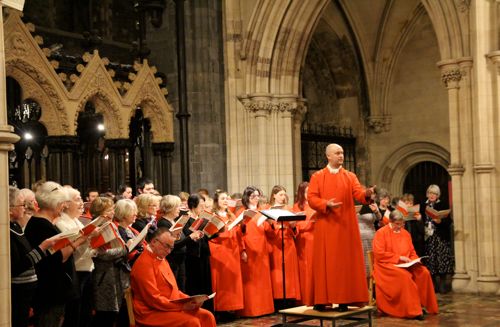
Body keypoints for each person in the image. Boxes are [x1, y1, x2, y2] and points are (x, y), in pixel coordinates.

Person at [307, 143, 373, 311]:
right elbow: (312, 198)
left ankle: (344, 299)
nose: (341, 156)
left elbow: (358, 193)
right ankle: (322, 300)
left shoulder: (350, 176)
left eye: (342, 153)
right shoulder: (318, 176)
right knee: (325, 263)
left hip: (345, 225)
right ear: (328, 156)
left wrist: (367, 194)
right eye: (337, 153)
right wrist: (325, 203)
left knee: (344, 263)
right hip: (326, 224)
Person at [25, 181, 88, 327]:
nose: (64, 207)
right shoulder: (41, 226)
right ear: (54, 203)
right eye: (62, 203)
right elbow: (58, 258)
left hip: (54, 290)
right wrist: (80, 240)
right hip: (50, 291)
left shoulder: (45, 223)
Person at [130, 227, 216, 327]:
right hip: (151, 312)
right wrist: (182, 306)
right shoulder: (144, 264)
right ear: (154, 242)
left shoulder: (160, 258)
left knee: (207, 316)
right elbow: (153, 300)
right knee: (191, 322)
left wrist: (190, 300)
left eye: (171, 248)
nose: (169, 251)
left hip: (166, 306)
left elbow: (173, 290)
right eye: (166, 246)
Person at [372, 210, 438, 319]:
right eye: (398, 224)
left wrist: (415, 260)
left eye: (402, 223)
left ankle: (420, 305)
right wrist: (398, 258)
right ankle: (413, 310)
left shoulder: (405, 233)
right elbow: (379, 254)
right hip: (386, 266)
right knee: (405, 277)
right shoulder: (381, 233)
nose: (401, 226)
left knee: (423, 272)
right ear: (391, 222)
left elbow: (411, 252)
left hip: (404, 264)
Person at [9, 186, 56, 327]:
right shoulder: (8, 231)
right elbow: (17, 266)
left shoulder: (16, 226)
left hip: (27, 289)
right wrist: (42, 247)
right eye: (22, 205)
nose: (25, 208)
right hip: (18, 291)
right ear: (10, 208)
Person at [56, 186, 94, 327]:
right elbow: (72, 251)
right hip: (75, 271)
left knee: (85, 313)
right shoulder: (61, 223)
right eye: (77, 199)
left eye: (81, 199)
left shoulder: (76, 221)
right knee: (74, 315)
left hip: (86, 269)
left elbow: (85, 247)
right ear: (66, 204)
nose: (82, 203)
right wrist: (87, 239)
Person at [90, 197, 129, 327]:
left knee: (112, 314)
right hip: (104, 275)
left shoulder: (110, 224)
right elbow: (101, 254)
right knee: (104, 315)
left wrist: (124, 248)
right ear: (102, 212)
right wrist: (125, 249)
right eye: (110, 209)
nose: (113, 212)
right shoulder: (97, 227)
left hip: (113, 273)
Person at [236, 186, 274, 317]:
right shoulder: (242, 212)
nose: (256, 199)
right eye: (253, 196)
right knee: (251, 280)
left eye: (258, 196)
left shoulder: (261, 212)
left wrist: (271, 222)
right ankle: (251, 310)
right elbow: (238, 233)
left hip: (261, 249)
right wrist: (243, 250)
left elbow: (268, 231)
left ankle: (265, 309)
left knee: (262, 280)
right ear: (247, 198)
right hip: (249, 248)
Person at [157, 195, 203, 291]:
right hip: (172, 261)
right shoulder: (163, 223)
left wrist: (192, 238)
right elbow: (172, 245)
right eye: (177, 206)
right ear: (170, 208)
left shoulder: (174, 221)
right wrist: (190, 237)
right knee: (175, 289)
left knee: (181, 288)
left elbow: (180, 239)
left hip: (180, 260)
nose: (180, 209)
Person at [265, 185, 301, 306]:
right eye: (280, 194)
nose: (283, 197)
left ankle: (290, 298)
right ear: (274, 195)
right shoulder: (268, 210)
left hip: (288, 243)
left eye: (284, 194)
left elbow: (296, 229)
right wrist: (271, 225)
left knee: (289, 272)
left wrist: (293, 225)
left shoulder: (289, 209)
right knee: (277, 273)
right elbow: (266, 231)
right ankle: (278, 300)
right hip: (275, 244)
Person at [421, 184, 454, 293]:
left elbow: (449, 222)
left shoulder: (442, 204)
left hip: (440, 237)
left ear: (438, 195)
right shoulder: (423, 205)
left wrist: (440, 222)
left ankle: (444, 284)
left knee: (442, 259)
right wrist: (420, 219)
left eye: (434, 193)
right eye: (430, 193)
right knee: (431, 260)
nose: (432, 195)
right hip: (428, 237)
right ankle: (434, 285)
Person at [292, 181, 316, 305]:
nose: (309, 194)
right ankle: (307, 299)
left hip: (316, 239)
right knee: (305, 269)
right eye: (307, 192)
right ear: (302, 193)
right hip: (304, 240)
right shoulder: (297, 206)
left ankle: (318, 298)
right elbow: (297, 225)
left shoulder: (315, 204)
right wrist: (310, 222)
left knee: (316, 269)